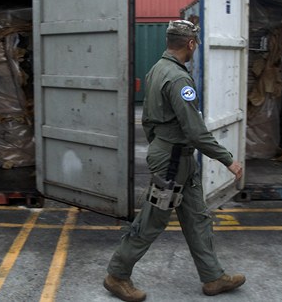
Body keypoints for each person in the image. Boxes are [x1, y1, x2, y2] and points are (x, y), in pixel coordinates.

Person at [103, 20, 245, 301]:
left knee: (197, 219)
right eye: (196, 44)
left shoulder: (156, 70)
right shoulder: (179, 79)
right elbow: (195, 130)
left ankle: (213, 277)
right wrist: (227, 159)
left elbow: (147, 120)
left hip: (178, 159)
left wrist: (160, 144)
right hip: (172, 162)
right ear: (190, 44)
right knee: (153, 219)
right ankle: (117, 274)